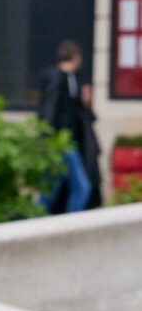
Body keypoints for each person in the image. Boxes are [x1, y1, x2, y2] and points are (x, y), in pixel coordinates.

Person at [37, 38, 103, 212]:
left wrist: (85, 103)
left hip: (67, 142)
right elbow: (49, 110)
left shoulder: (72, 79)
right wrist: (47, 140)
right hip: (60, 143)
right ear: (75, 57)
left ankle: (40, 220)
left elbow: (79, 114)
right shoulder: (57, 78)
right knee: (80, 187)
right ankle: (67, 223)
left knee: (51, 188)